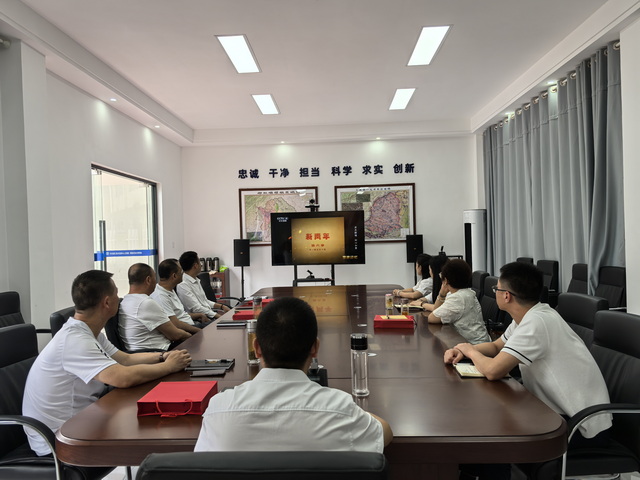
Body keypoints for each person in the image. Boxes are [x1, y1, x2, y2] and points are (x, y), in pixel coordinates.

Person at [444, 262, 612, 479]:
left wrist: (470, 351)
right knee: (487, 426)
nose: (495, 292)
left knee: (494, 434)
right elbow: (496, 347)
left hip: (581, 426)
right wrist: (462, 350)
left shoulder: (537, 323)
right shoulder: (529, 315)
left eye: (496, 289)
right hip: (553, 410)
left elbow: (493, 370)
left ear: (506, 296)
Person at [22, 270, 191, 458]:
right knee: (152, 426)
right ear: (107, 302)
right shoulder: (74, 340)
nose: (120, 298)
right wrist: (169, 367)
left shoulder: (88, 332)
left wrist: (163, 356)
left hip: (81, 422)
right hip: (60, 441)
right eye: (117, 294)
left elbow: (125, 359)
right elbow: (121, 378)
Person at [194, 296, 393, 452]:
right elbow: (384, 432)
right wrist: (352, 411)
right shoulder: (339, 410)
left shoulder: (218, 409)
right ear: (315, 348)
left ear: (257, 348)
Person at [119, 263, 192, 351]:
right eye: (154, 277)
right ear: (148, 280)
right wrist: (191, 336)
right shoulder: (145, 303)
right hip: (159, 351)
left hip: (142, 351)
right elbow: (175, 335)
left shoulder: (126, 300)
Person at [427, 259, 490, 344]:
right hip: (475, 342)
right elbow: (436, 311)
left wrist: (441, 294)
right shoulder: (466, 292)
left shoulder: (458, 298)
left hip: (474, 345)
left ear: (446, 280)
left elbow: (432, 318)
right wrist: (442, 294)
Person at [151, 258, 210, 329]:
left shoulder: (170, 289)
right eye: (181, 271)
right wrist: (199, 331)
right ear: (174, 276)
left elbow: (180, 316)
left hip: (192, 324)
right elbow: (176, 324)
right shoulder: (161, 297)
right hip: (187, 330)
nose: (183, 273)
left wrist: (200, 315)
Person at [177, 251, 231, 320]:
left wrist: (222, 306)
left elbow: (205, 301)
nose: (201, 265)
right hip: (200, 320)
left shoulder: (196, 280)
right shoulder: (183, 284)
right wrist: (218, 317)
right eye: (199, 262)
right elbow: (196, 308)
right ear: (195, 265)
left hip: (209, 315)